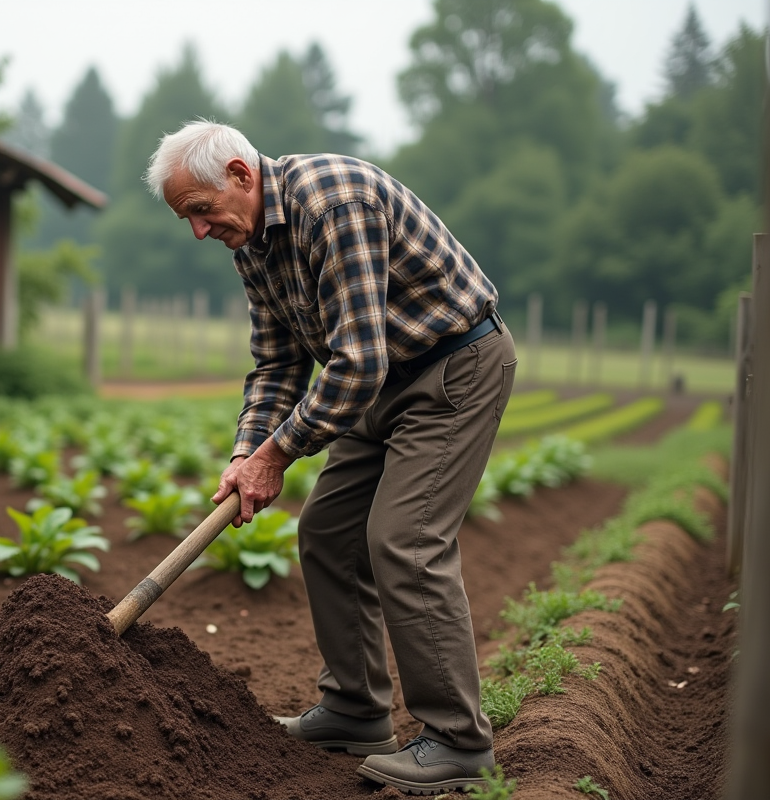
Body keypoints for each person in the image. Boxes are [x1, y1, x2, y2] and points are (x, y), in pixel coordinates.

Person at [143, 120, 517, 796]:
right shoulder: (252, 244)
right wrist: (248, 452)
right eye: (186, 219)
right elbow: (277, 363)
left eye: (200, 210)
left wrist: (279, 453)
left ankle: (459, 743)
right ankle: (355, 710)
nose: (198, 231)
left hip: (450, 370)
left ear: (238, 173)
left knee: (404, 540)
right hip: (378, 387)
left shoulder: (332, 200)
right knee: (327, 534)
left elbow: (360, 358)